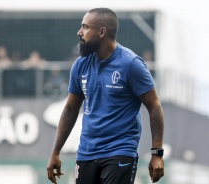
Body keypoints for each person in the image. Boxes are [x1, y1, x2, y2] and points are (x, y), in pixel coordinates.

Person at [47, 8, 164, 184]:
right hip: (86, 153)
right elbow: (70, 109)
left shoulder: (131, 64)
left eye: (85, 27)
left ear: (102, 32)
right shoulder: (80, 65)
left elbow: (154, 107)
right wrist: (55, 152)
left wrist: (157, 153)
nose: (79, 32)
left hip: (120, 152)